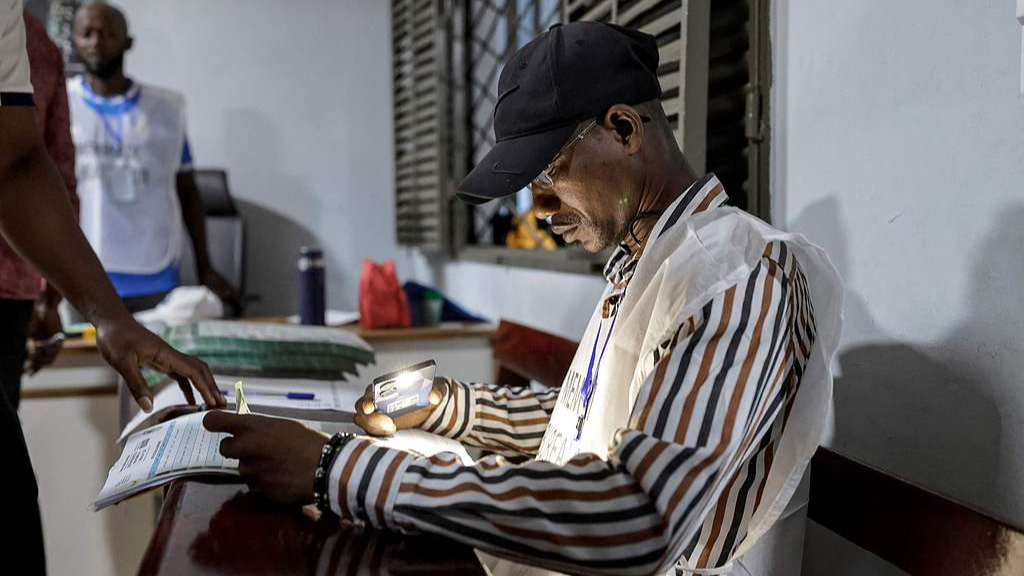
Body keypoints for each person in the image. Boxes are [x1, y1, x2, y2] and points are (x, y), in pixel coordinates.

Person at [204, 22, 843, 576]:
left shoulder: (737, 274)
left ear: (623, 128)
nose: (538, 211)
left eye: (547, 175)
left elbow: (639, 514)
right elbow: (598, 418)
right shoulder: (649, 261)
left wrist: (336, 471)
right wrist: (446, 408)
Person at [1, 3, 225, 572]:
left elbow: (20, 164)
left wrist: (110, 316)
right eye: (87, 31)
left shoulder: (23, 38)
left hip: (26, 286)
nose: (95, 39)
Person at [68, 2, 238, 313]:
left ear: (127, 42)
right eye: (87, 33)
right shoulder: (62, 104)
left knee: (153, 359)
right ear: (75, 41)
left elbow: (187, 189)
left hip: (153, 272)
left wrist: (205, 266)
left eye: (107, 33)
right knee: (83, 360)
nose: (96, 42)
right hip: (81, 271)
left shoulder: (166, 109)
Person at [0, 12, 79, 410]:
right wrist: (49, 299)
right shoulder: (37, 42)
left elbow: (54, 174)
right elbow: (57, 174)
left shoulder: (37, 44)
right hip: (13, 282)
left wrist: (48, 298)